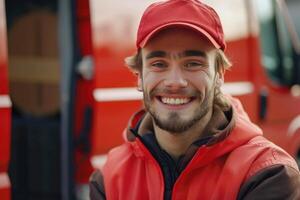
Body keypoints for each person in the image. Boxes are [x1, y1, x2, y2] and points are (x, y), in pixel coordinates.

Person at [89, 0, 300, 199]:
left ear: (219, 75)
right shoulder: (109, 179)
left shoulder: (268, 174)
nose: (175, 82)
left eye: (193, 63)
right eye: (159, 64)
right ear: (140, 76)